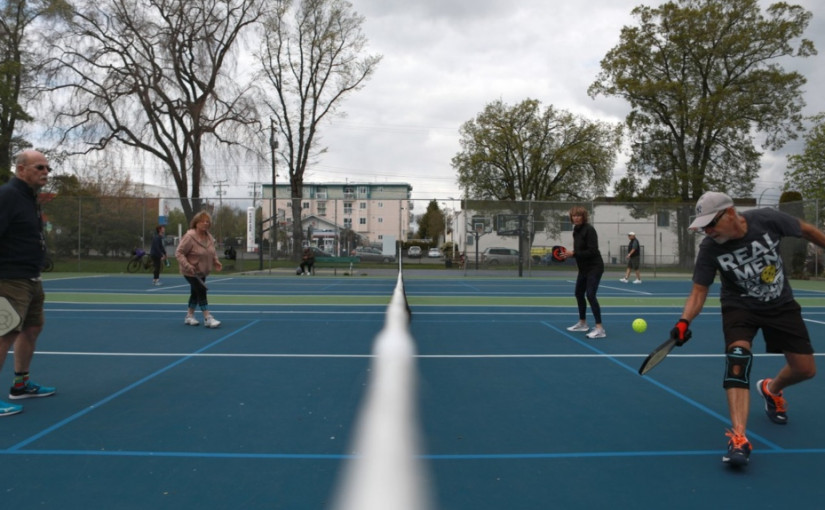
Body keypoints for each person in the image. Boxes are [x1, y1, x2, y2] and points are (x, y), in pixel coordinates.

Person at [670, 191, 825, 467]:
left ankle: (771, 389)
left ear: (730, 213)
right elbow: (699, 290)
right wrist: (684, 321)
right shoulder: (710, 248)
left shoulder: (767, 219)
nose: (707, 231)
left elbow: (808, 231)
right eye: (703, 226)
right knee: (737, 358)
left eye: (711, 224)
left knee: (805, 369)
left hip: (781, 304)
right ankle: (739, 438)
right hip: (739, 307)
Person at [0, 150, 57, 417]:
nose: (46, 171)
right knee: (5, 333)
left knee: (32, 327)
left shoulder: (30, 198)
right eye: (39, 167)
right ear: (21, 169)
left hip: (31, 277)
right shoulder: (8, 196)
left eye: (47, 167)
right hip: (10, 278)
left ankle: (20, 384)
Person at [559, 206, 606, 339]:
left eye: (579, 215)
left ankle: (599, 329)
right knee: (579, 293)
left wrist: (574, 253)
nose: (576, 218)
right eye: (574, 216)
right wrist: (570, 255)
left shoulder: (589, 230)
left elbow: (592, 251)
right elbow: (579, 251)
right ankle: (583, 323)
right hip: (584, 268)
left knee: (590, 295)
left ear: (584, 217)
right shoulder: (575, 230)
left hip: (595, 267)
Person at [175, 211, 223, 328]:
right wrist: (187, 265)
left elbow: (212, 251)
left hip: (202, 270)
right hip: (191, 271)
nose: (205, 223)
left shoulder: (209, 237)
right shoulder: (189, 237)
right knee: (201, 290)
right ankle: (208, 317)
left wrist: (215, 261)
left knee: (195, 293)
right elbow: (179, 253)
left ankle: (189, 316)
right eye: (202, 221)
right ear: (196, 223)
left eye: (207, 221)